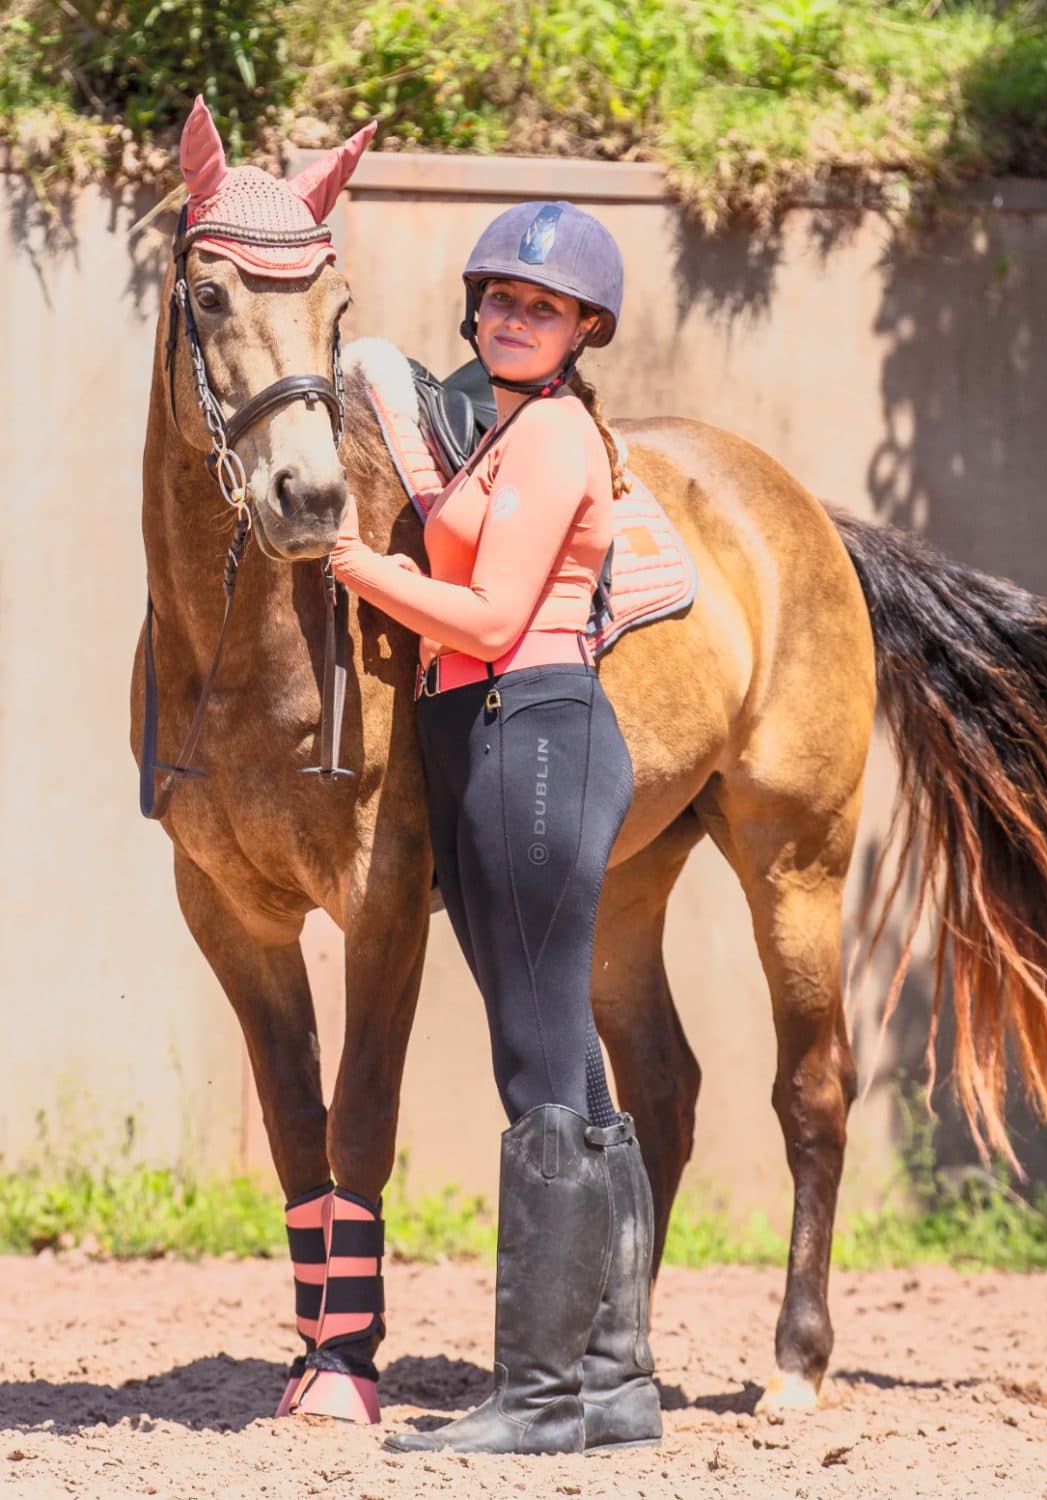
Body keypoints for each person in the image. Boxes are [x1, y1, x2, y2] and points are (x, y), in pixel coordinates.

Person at [331, 201, 660, 1456]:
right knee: (567, 1061)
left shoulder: (556, 433)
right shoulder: (505, 433)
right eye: (500, 299)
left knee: (535, 1069)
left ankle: (535, 1395)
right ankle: (612, 1382)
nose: (514, 317)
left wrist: (351, 564)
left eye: (542, 305)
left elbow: (485, 616)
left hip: (533, 728)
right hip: (484, 734)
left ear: (584, 329)